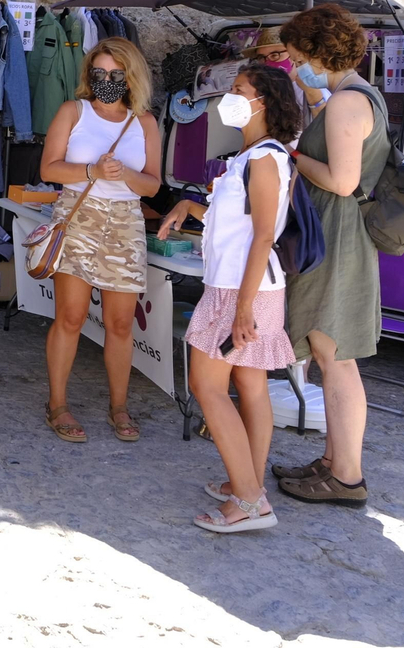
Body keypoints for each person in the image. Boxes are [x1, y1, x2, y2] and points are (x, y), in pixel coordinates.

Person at [158, 64, 301, 532]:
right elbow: (237, 222)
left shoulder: (263, 159)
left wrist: (241, 308)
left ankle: (249, 500)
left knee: (207, 386)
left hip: (243, 291)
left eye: (238, 90)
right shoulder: (255, 155)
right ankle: (248, 483)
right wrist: (189, 206)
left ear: (265, 102)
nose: (228, 98)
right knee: (251, 389)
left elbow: (263, 235)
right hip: (247, 288)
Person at [270, 4, 388, 507]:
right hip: (339, 236)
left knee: (334, 357)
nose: (297, 66)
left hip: (336, 238)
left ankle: (346, 477)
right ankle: (334, 461)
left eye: (298, 56)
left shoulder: (345, 104)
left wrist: (293, 154)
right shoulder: (356, 96)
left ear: (319, 52)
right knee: (329, 354)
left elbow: (343, 182)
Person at [39, 37, 162, 444]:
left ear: (130, 77)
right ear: (89, 74)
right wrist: (92, 170)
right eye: (99, 73)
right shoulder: (73, 112)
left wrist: (124, 174)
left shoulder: (145, 122)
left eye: (115, 73)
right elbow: (49, 169)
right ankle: (57, 403)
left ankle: (119, 406)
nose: (107, 80)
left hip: (125, 222)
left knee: (121, 323)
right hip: (79, 216)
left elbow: (153, 186)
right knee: (70, 317)